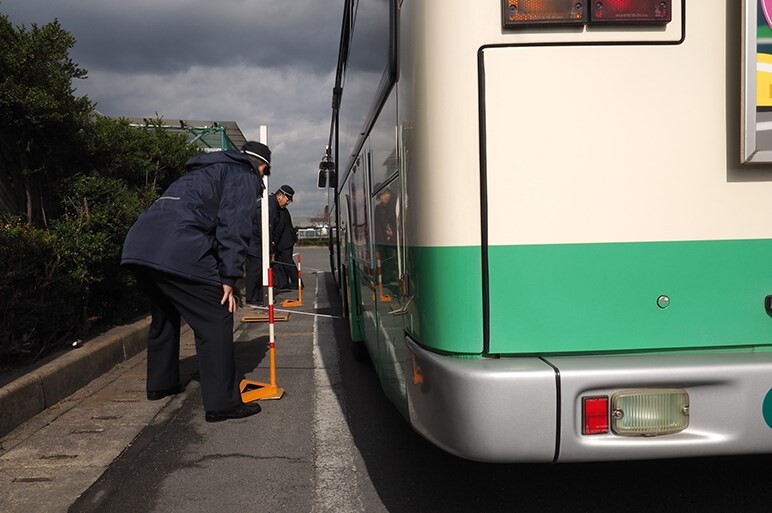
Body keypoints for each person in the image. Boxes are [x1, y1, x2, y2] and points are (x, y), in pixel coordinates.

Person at [121, 141, 271, 423]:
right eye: (264, 174)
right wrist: (228, 279)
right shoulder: (243, 175)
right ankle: (223, 404)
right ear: (262, 167)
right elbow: (233, 226)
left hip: (139, 246)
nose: (262, 179)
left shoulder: (199, 173)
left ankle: (161, 384)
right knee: (216, 317)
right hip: (178, 247)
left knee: (164, 314)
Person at [273, 185, 297, 291]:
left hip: (285, 241)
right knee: (281, 262)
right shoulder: (279, 208)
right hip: (285, 241)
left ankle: (297, 282)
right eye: (287, 200)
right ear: (281, 196)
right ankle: (283, 283)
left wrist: (274, 241)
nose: (287, 203)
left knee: (287, 262)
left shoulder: (282, 210)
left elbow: (280, 227)